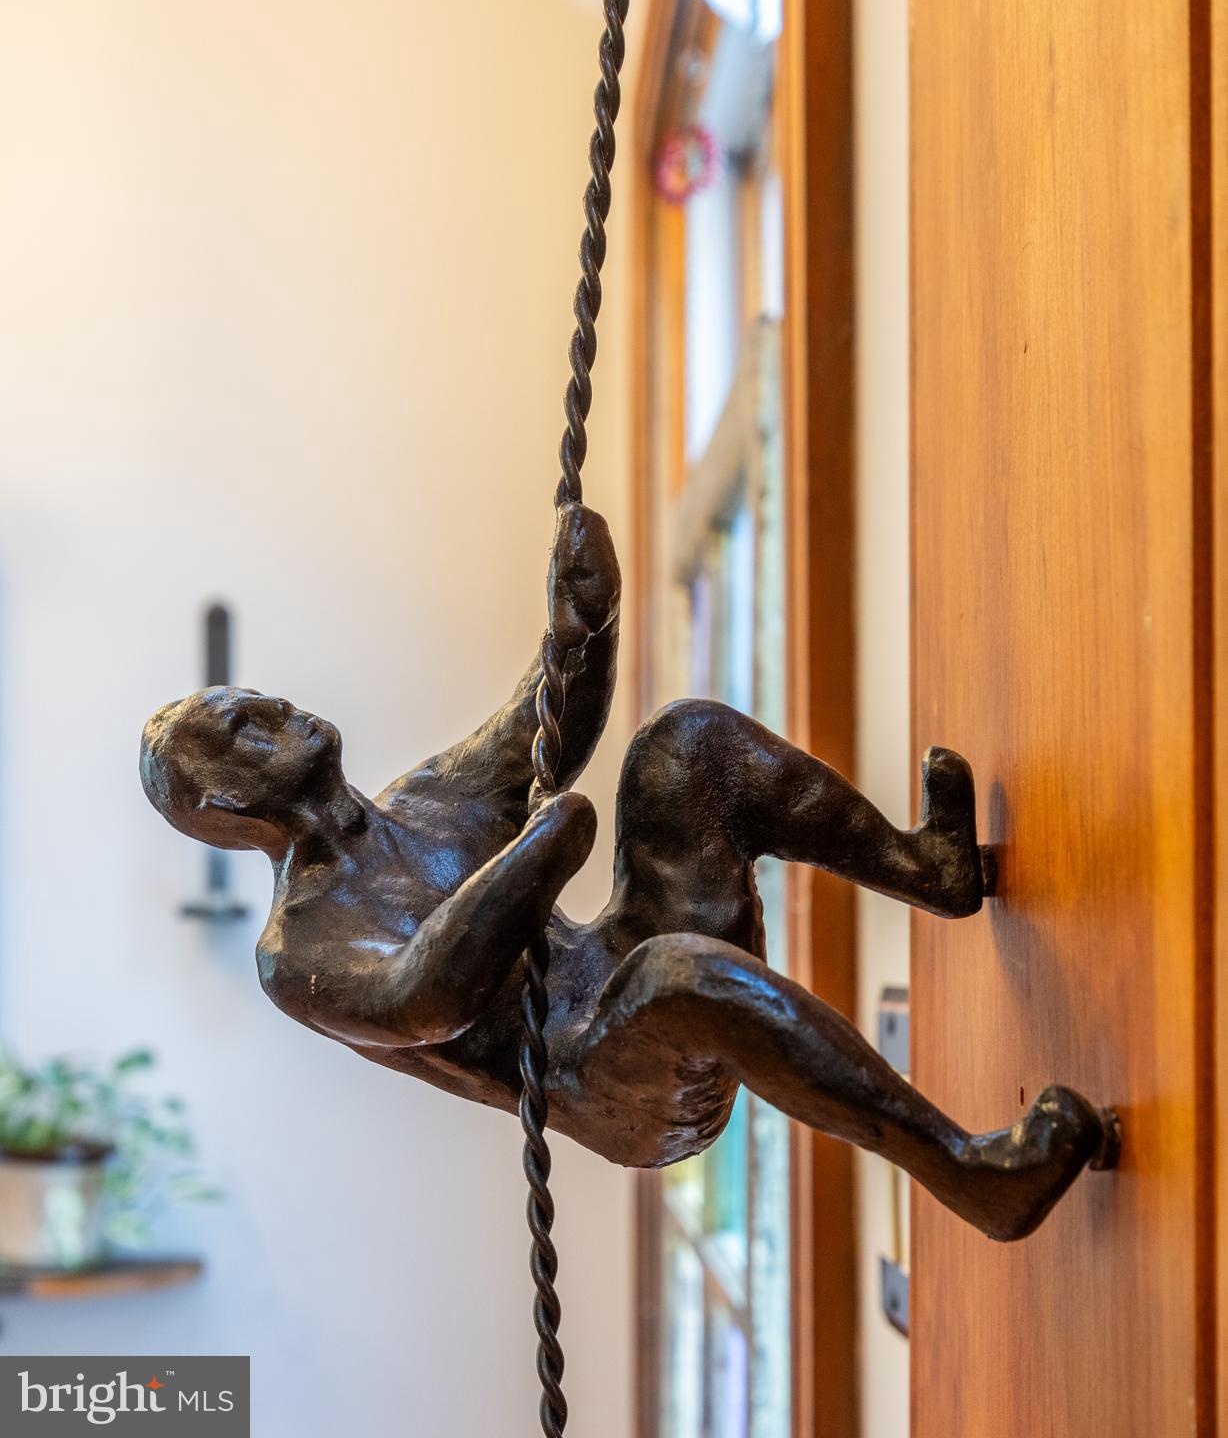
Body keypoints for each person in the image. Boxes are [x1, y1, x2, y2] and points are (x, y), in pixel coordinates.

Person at [140, 504, 1116, 1241]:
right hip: (609, 1080)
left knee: (686, 744)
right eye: (249, 727)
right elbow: (424, 998)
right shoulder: (300, 950)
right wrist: (535, 856)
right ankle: (972, 1176)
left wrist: (582, 620)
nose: (282, 709)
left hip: (627, 956)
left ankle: (927, 868)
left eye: (262, 698)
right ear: (228, 807)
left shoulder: (428, 798)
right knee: (673, 976)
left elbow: (545, 725)